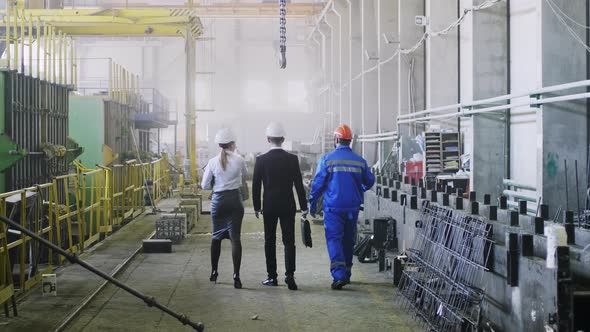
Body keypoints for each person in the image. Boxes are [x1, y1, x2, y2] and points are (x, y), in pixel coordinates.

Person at [308, 124, 375, 290]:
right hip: (352, 208)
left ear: (336, 140)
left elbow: (317, 184)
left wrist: (312, 202)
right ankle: (347, 273)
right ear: (350, 141)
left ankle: (339, 275)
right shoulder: (360, 161)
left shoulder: (327, 160)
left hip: (333, 208)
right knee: (348, 240)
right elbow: (370, 181)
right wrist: (359, 189)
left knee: (334, 239)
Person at [252, 122, 308, 290]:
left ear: (268, 139)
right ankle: (290, 275)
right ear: (283, 139)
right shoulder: (292, 159)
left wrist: (256, 206)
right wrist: (304, 207)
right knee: (289, 241)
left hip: (269, 205)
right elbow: (299, 185)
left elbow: (256, 185)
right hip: (288, 205)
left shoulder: (261, 160)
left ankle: (272, 277)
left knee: (270, 240)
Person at [201, 128, 247, 289]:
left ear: (220, 145)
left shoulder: (213, 162)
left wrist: (216, 182)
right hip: (235, 201)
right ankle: (236, 276)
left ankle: (214, 271)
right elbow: (244, 178)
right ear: (233, 144)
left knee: (216, 237)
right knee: (235, 239)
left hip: (218, 202)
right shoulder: (240, 160)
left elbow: (204, 185)